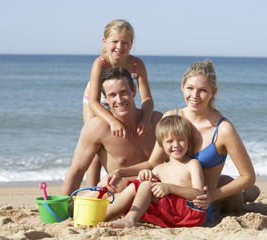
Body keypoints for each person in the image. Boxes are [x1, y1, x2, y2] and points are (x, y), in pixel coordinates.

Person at [99, 60, 260, 221]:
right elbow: (153, 162)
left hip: (201, 203)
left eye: (202, 90)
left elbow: (248, 176)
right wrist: (119, 172)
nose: (194, 96)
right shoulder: (171, 117)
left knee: (235, 202)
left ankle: (246, 195)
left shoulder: (223, 129)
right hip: (170, 197)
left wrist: (212, 195)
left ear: (213, 92)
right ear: (182, 87)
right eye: (190, 88)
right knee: (126, 188)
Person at [61, 67, 162, 196]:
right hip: (122, 197)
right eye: (112, 95)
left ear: (134, 91)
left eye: (124, 92)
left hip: (158, 194)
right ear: (105, 97)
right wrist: (61, 209)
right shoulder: (97, 128)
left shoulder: (157, 121)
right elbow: (77, 171)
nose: (119, 100)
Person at [98, 115, 206, 228]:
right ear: (161, 144)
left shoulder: (192, 164)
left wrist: (170, 188)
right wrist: (144, 174)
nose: (176, 145)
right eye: (169, 141)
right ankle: (99, 218)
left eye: (181, 140)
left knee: (146, 185)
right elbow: (141, 190)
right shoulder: (159, 168)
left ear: (188, 140)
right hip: (169, 211)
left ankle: (129, 220)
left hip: (189, 213)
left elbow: (199, 194)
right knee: (136, 187)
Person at [83, 19, 154, 187]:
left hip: (120, 99)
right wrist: (112, 121)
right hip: (97, 101)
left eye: (125, 43)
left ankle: (123, 181)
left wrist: (146, 118)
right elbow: (93, 102)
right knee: (95, 151)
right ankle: (91, 194)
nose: (119, 47)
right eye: (114, 42)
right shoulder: (100, 63)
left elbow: (147, 99)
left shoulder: (138, 64)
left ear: (131, 44)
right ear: (105, 42)